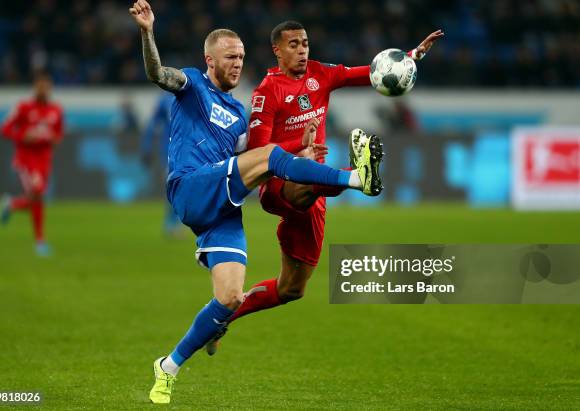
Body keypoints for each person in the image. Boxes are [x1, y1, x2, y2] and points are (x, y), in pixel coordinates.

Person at [129, 0, 382, 404]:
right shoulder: (193, 85)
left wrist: (299, 149)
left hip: (222, 209)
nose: (237, 64)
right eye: (230, 57)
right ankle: (354, 178)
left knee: (229, 298)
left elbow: (261, 158)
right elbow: (157, 73)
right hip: (192, 187)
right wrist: (147, 32)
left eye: (242, 57)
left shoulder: (238, 111)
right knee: (268, 160)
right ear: (209, 59)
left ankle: (168, 366)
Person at [206, 21, 443, 352]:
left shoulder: (321, 74)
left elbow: (369, 74)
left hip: (313, 188)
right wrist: (295, 149)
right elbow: (257, 155)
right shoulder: (266, 93)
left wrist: (413, 55)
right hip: (279, 184)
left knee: (291, 289)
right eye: (293, 45)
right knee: (309, 180)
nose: (302, 50)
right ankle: (356, 173)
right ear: (277, 50)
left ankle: (221, 319)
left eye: (305, 43)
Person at [0, 71, 64, 257]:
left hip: (44, 160)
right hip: (26, 159)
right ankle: (40, 241)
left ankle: (11, 204)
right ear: (35, 87)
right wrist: (22, 136)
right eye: (40, 85)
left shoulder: (56, 110)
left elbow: (59, 134)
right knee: (36, 193)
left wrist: (53, 138)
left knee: (37, 197)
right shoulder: (23, 107)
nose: (43, 89)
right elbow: (4, 129)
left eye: (47, 86)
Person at [140, 91, 182, 234]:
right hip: (171, 150)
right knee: (175, 185)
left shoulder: (189, 95)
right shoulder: (165, 100)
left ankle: (173, 223)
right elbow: (152, 125)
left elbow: (152, 125)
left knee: (180, 186)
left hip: (187, 149)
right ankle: (171, 224)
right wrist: (147, 147)